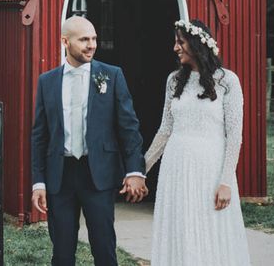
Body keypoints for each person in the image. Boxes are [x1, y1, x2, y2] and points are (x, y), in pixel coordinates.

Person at [31, 15, 148, 265]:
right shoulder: (47, 82)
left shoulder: (112, 76)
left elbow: (129, 128)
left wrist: (135, 170)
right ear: (65, 41)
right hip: (60, 176)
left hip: (98, 174)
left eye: (94, 39)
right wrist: (38, 182)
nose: (91, 45)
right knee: (61, 253)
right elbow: (40, 136)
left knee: (104, 250)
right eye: (84, 39)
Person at [144, 18, 251, 265]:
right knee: (181, 229)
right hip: (176, 168)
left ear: (197, 43)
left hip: (209, 168)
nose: (175, 47)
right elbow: (165, 129)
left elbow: (235, 135)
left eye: (180, 42)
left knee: (209, 230)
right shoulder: (173, 81)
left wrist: (226, 181)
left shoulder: (227, 81)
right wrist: (141, 169)